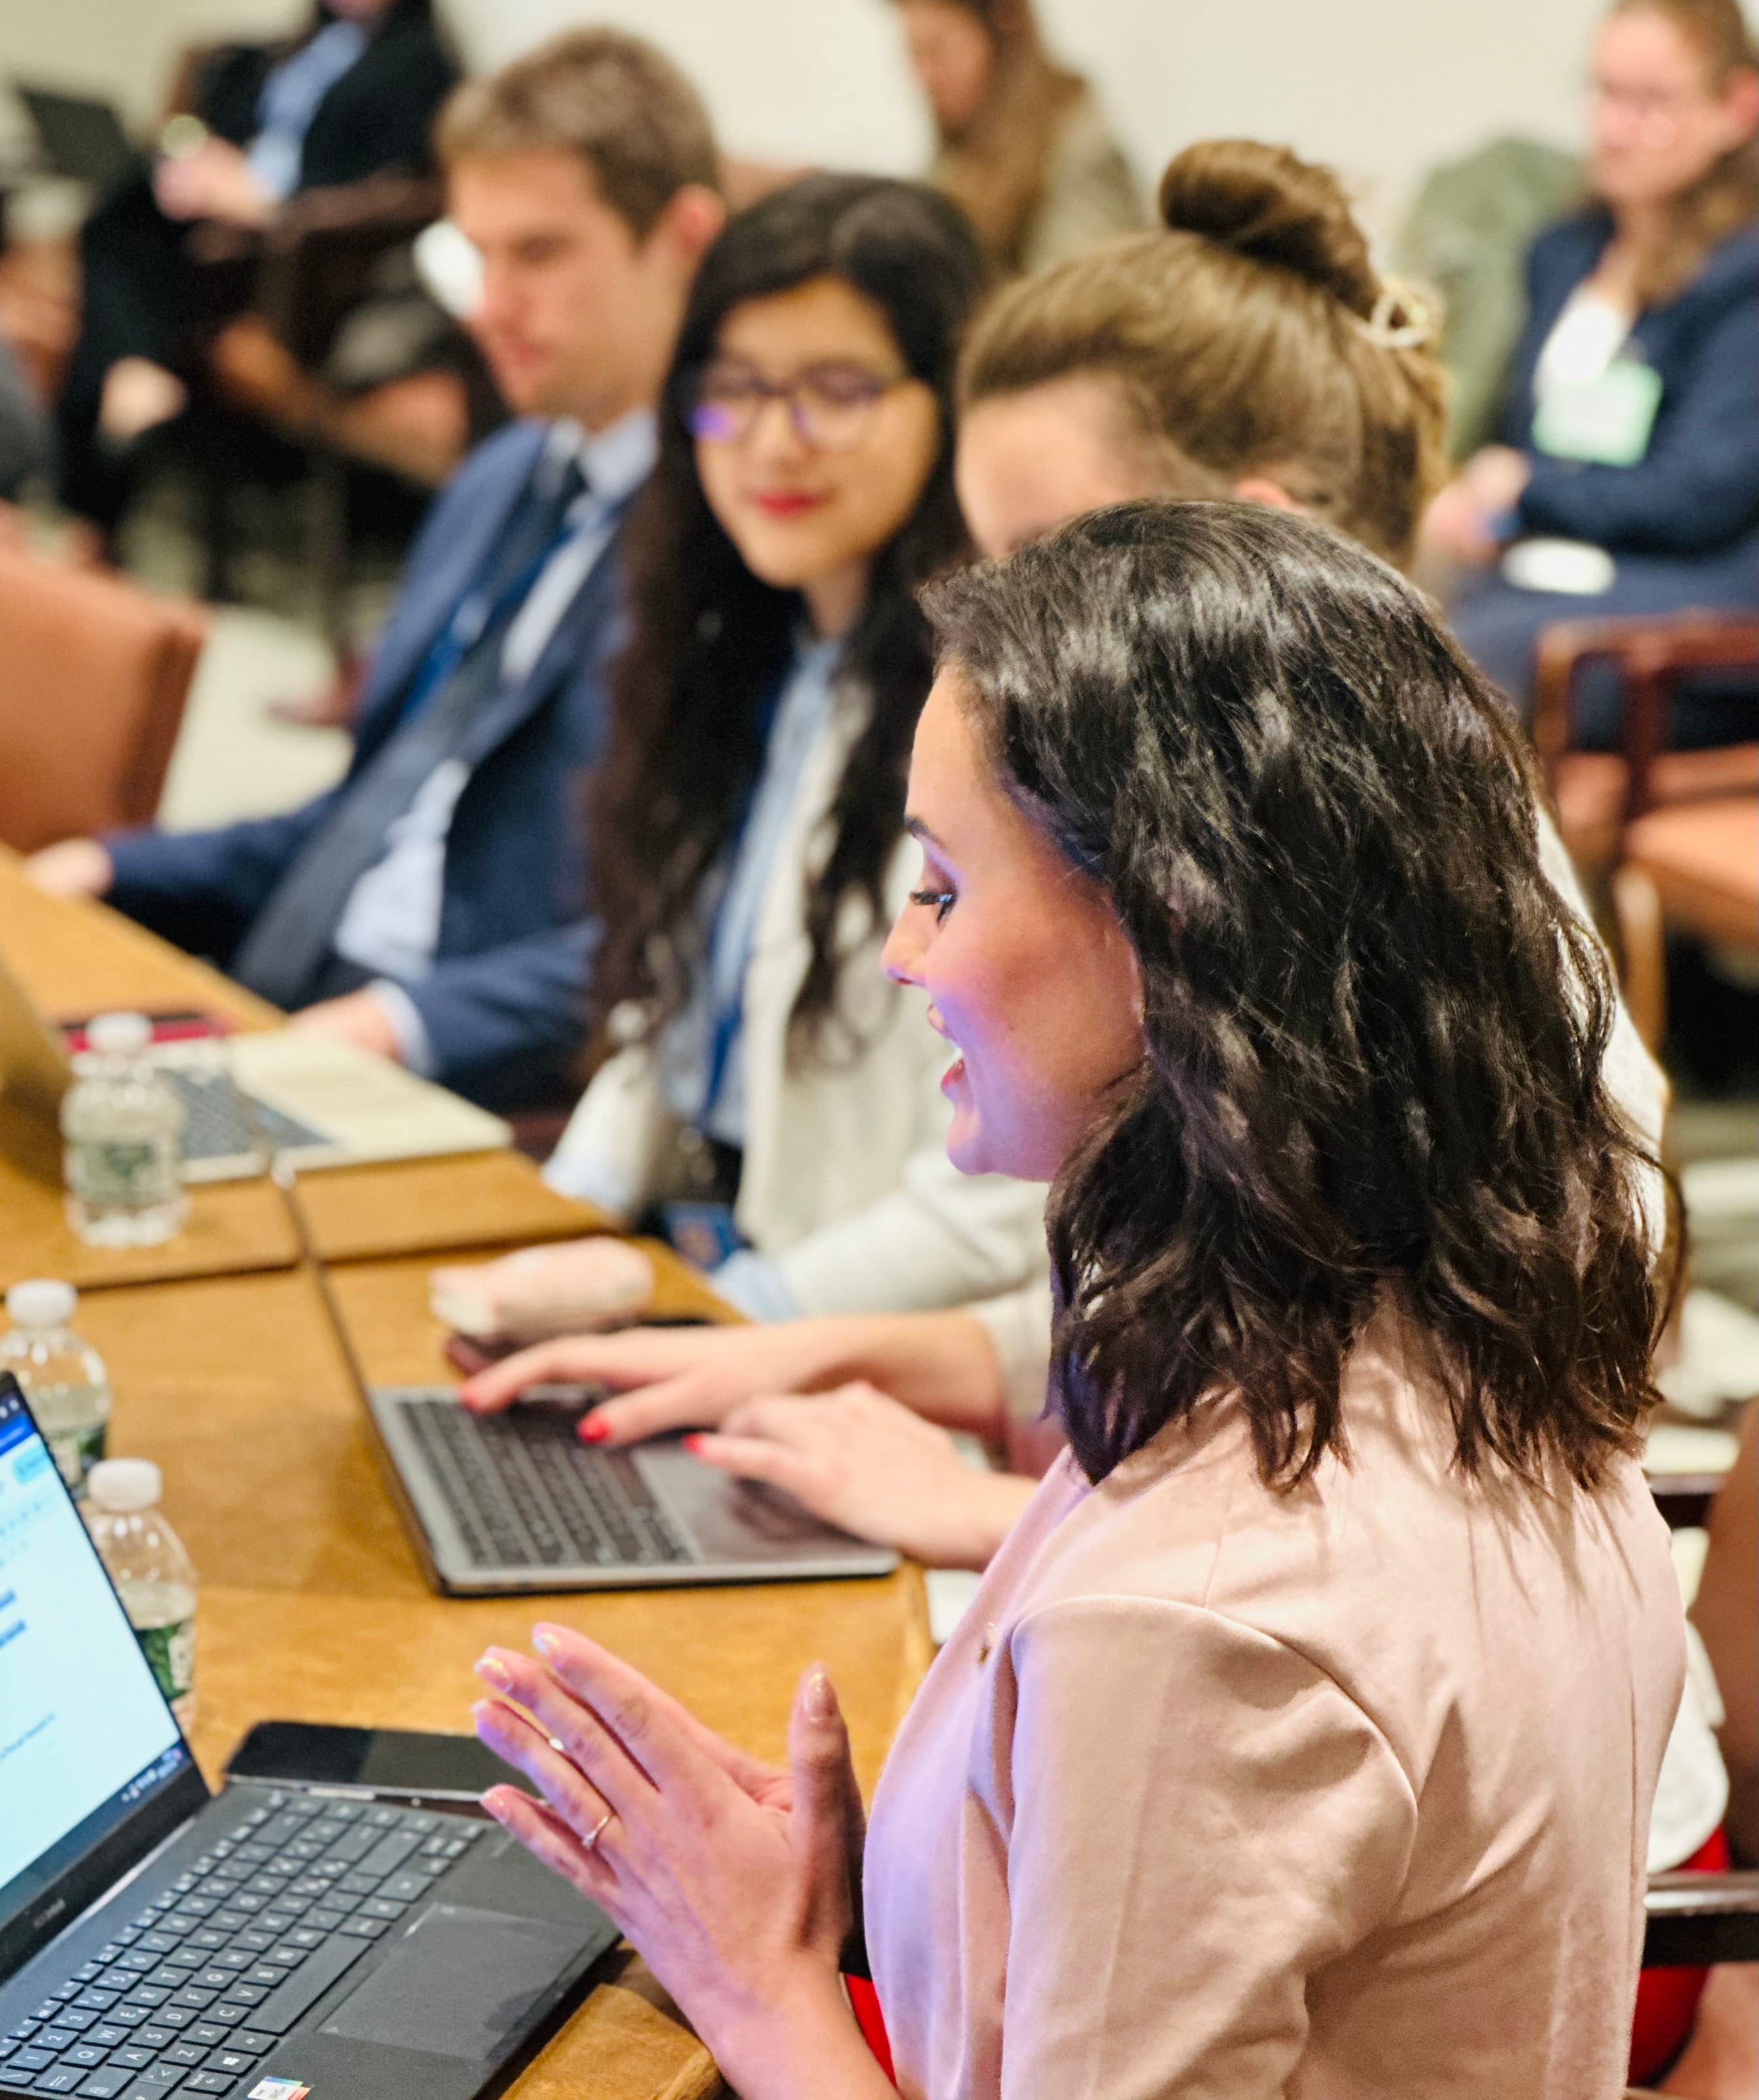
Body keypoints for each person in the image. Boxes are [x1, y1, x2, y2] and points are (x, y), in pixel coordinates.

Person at [469, 501, 1682, 2097]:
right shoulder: (1467, 1340)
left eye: (943, 884)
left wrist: (754, 1980)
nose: (906, 952)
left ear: (1168, 927)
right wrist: (898, 1894)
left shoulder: (1200, 1617)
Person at [458, 141, 1663, 1564]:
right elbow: (1184, 1308)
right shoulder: (1240, 855)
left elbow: (1397, 1477)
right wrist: (792, 1351)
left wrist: (954, 1493)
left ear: (1247, 555)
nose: (992, 624)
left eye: (1049, 556)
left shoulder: (1427, 928)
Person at [26, 29, 723, 1109]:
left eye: (537, 254)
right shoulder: (499, 482)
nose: (489, 305)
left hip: (477, 1082)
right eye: (475, 255)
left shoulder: (731, 539)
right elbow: (365, 811)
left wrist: (395, 1027)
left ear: (682, 240)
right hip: (292, 1010)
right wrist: (110, 869)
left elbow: (703, 936)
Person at [436, 172, 1047, 1326]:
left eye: (836, 390)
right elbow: (661, 1026)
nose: (773, 441)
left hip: (853, 1344)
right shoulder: (728, 658)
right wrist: (567, 1220)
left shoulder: (992, 721)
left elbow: (989, 1207)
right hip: (690, 1270)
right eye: (734, 390)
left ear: (949, 406)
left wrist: (719, 1324)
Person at [56, 0, 461, 537]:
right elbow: (244, 125)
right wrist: (209, 163)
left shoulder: (418, 64)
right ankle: (121, 402)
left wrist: (268, 200)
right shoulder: (305, 48)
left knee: (134, 254)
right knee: (117, 213)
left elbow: (386, 187)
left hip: (295, 252)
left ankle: (103, 463)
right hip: (230, 211)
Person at [1421, 0, 1759, 738]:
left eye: (1649, 102)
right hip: (1540, 562)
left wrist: (1525, 487)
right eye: (1602, 92)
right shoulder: (1562, 253)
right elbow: (1526, 430)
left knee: (1453, 666)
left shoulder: (1744, 275)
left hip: (1688, 594)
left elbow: (1698, 495)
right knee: (1363, 610)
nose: (1612, 125)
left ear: (1735, 108)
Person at [884, 0, 1143, 275]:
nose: (924, 76)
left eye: (938, 50)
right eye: (914, 53)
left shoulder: (1079, 150)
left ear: (1006, 27)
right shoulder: (958, 146)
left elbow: (1081, 311)